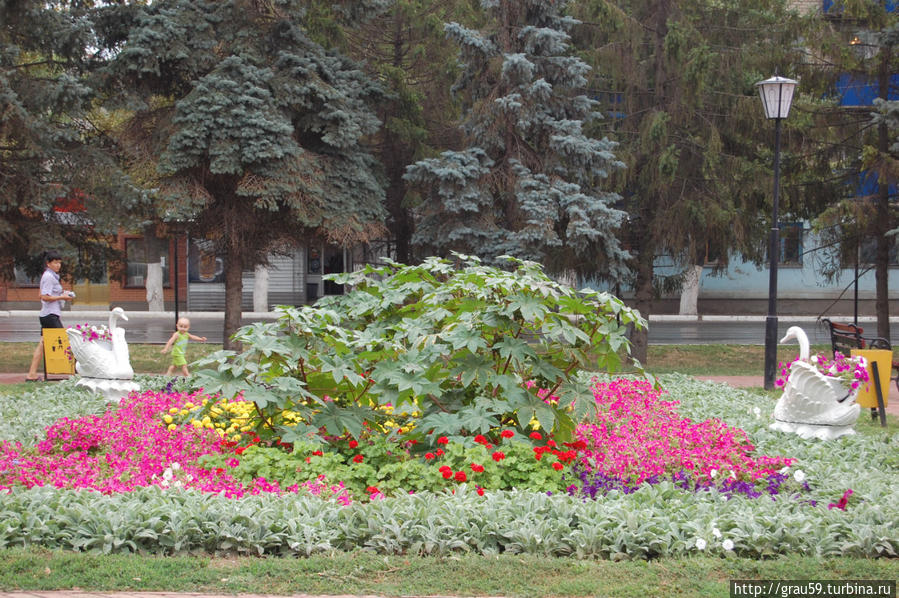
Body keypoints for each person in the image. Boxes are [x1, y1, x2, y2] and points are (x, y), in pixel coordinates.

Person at [27, 251, 76, 381]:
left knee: (42, 344)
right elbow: (44, 296)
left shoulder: (50, 276)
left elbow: (40, 294)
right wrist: (62, 296)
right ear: (48, 263)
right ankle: (74, 373)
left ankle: (31, 374)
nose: (58, 265)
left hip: (47, 314)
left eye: (59, 262)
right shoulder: (49, 276)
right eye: (55, 262)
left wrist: (62, 294)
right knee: (65, 341)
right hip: (50, 315)